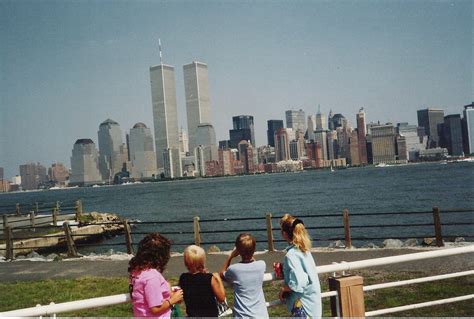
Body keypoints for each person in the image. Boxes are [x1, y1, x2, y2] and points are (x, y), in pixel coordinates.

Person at [128, 233, 183, 318]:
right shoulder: (152, 277)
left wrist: (169, 293)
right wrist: (172, 300)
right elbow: (155, 309)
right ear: (160, 256)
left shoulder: (137, 271)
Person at [278, 214, 322, 318]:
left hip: (303, 307)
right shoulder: (305, 250)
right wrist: (285, 268)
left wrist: (284, 289)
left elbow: (299, 282)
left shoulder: (291, 255)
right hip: (313, 304)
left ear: (284, 234)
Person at [220, 233, 269, 318]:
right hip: (261, 315)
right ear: (254, 250)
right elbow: (254, 263)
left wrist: (230, 256)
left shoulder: (234, 269)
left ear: (238, 251)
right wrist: (250, 252)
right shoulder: (262, 265)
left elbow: (222, 273)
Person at [178, 245, 226, 317]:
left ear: (186, 263)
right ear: (203, 261)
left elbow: (195, 284)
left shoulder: (183, 278)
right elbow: (221, 298)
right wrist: (218, 279)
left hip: (192, 315)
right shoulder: (209, 278)